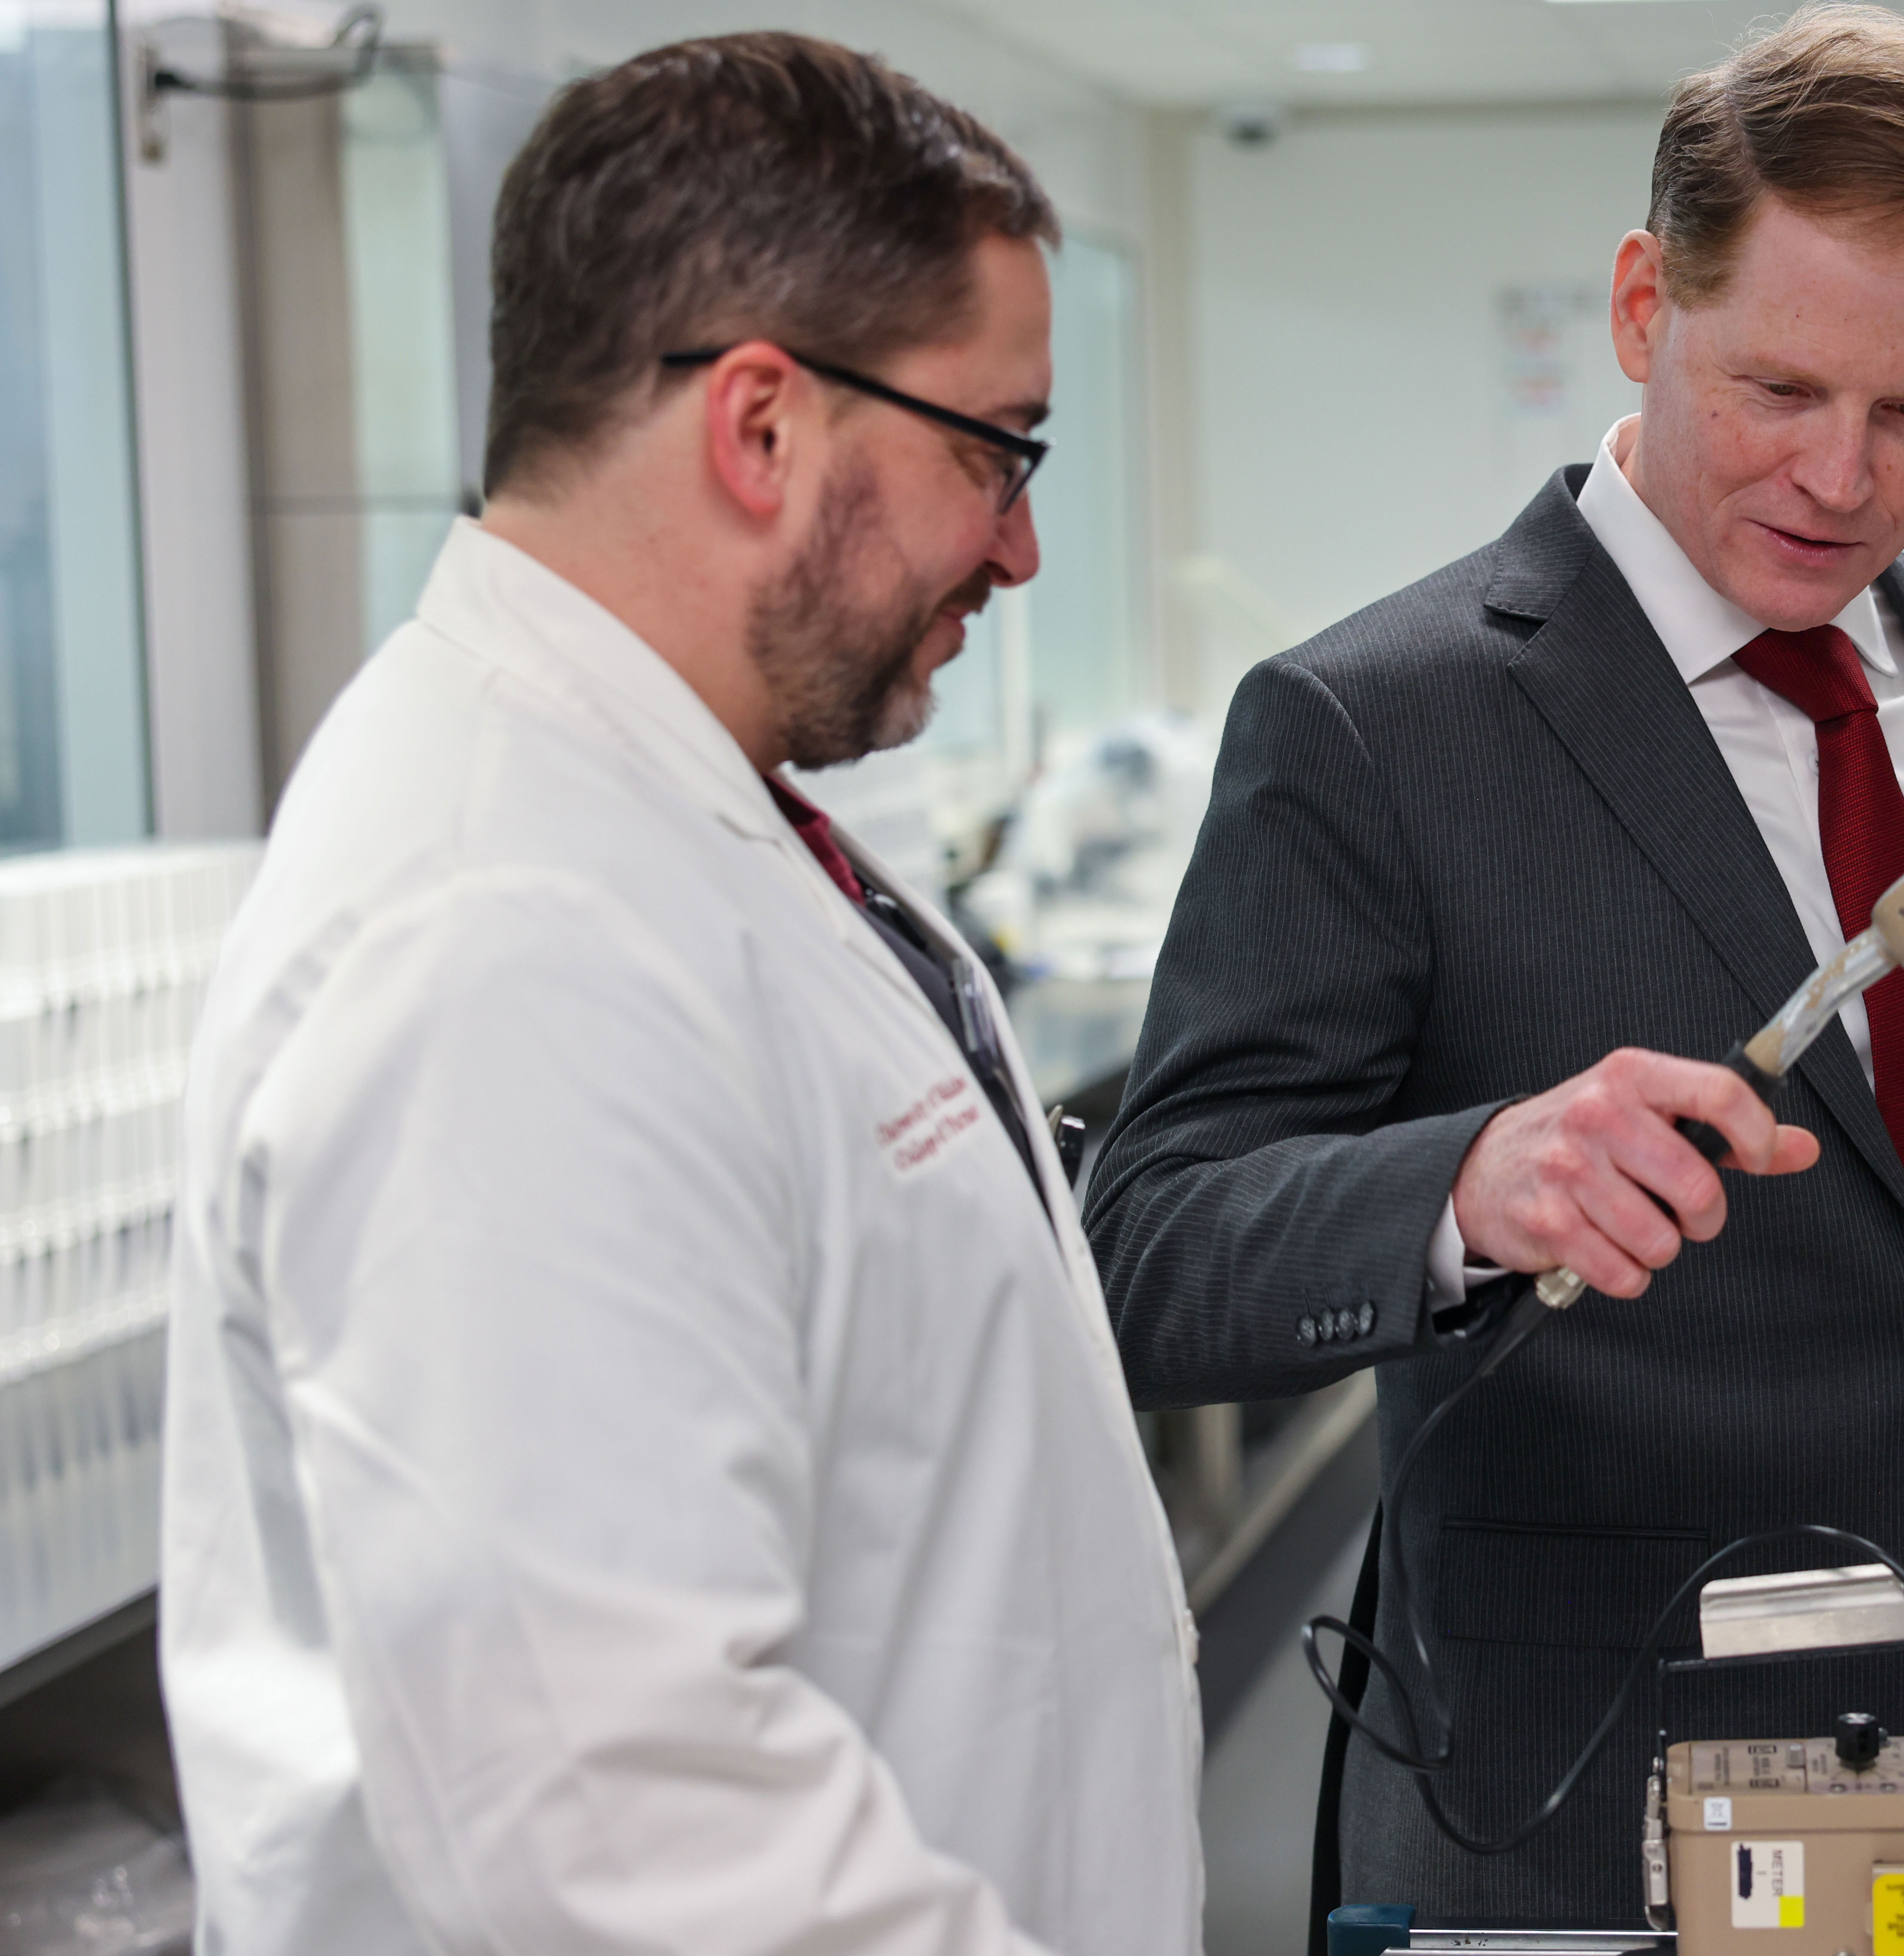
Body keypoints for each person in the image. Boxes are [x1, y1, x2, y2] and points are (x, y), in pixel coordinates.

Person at [1088, 1, 1904, 1933]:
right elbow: (1154, 1245)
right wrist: (1460, 1184)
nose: (1840, 477)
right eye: (1777, 388)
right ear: (1637, 306)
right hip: (1594, 1788)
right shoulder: (1377, 724)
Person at [159, 35, 1200, 1956]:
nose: (1022, 543)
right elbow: (613, 1813)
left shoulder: (679, 813)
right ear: (761, 425)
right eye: (995, 447)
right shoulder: (504, 927)